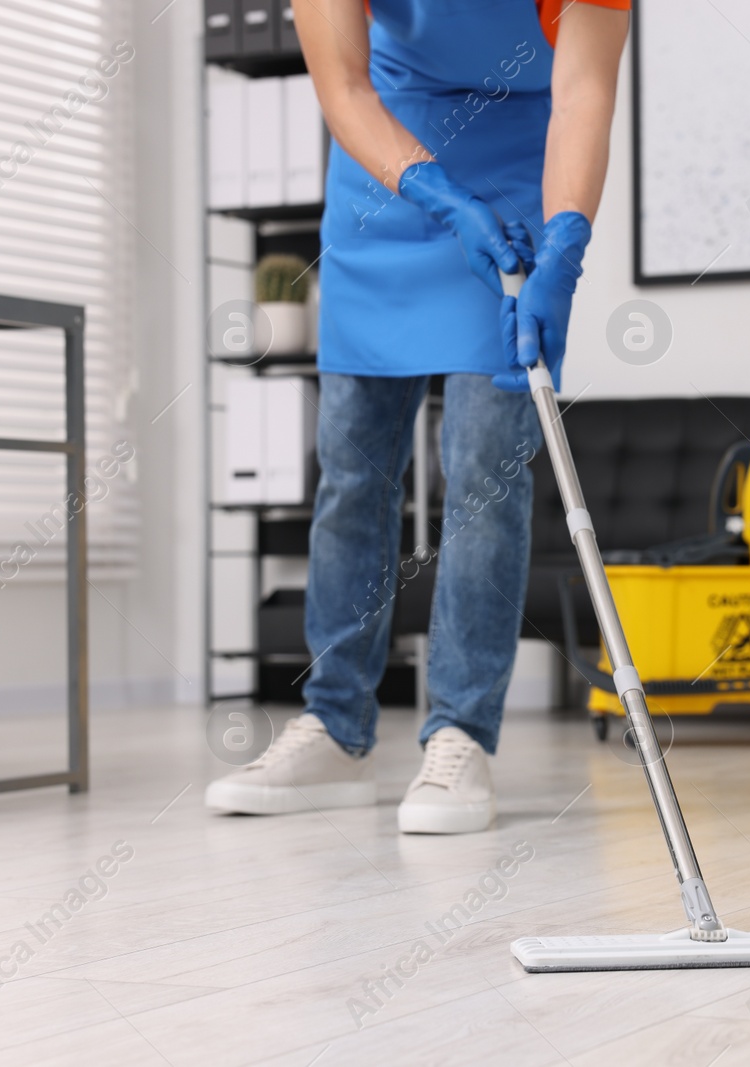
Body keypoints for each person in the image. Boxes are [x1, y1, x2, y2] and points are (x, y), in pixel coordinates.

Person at [206, 0, 629, 833]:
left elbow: (584, 94)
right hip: (384, 166)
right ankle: (334, 725)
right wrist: (436, 193)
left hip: (519, 164)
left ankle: (462, 734)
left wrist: (565, 249)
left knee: (484, 468)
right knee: (353, 469)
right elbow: (344, 85)